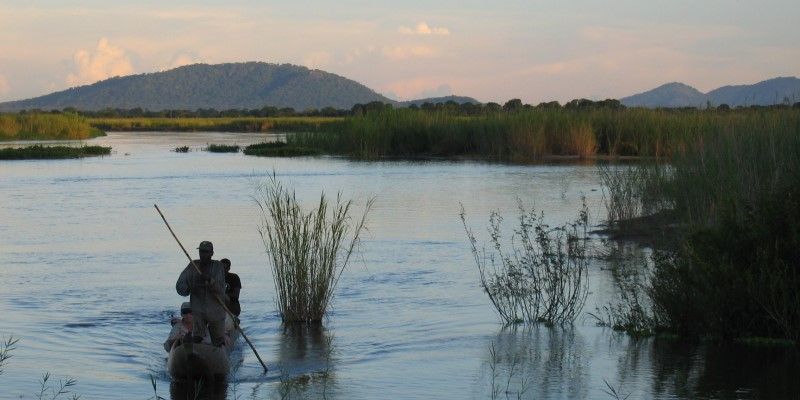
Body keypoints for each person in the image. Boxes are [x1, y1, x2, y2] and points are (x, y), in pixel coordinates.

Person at [176, 241, 227, 346]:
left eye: (206, 252)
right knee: (197, 337)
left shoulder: (218, 266)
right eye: (201, 252)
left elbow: (220, 290)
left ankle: (218, 353)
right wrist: (189, 287)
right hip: (198, 311)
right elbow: (180, 286)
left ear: (212, 253)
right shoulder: (193, 265)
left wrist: (210, 280)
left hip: (215, 312)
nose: (203, 254)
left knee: (218, 342)